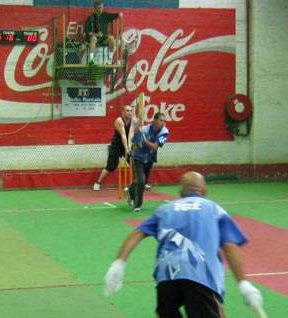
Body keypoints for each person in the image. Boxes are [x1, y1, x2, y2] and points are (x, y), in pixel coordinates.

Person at [104, 171, 264, 318]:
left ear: (181, 192)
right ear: (205, 191)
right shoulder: (213, 209)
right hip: (201, 276)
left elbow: (137, 233)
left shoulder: (164, 210)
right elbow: (229, 247)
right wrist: (243, 283)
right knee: (212, 306)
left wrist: (118, 264)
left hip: (167, 278)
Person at [125, 112, 169, 212]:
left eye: (164, 121)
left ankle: (129, 191)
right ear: (154, 120)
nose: (163, 123)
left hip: (150, 157)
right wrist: (137, 133)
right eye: (161, 120)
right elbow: (134, 142)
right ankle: (137, 204)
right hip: (138, 157)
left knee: (143, 182)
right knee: (141, 180)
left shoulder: (164, 132)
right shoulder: (144, 129)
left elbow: (154, 147)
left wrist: (144, 140)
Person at [93, 104, 138, 191]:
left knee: (135, 164)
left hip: (127, 144)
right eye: (127, 111)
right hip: (116, 145)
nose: (129, 112)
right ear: (123, 112)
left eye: (130, 111)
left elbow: (131, 134)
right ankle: (98, 182)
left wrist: (129, 148)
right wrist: (126, 148)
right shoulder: (119, 121)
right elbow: (123, 135)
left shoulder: (134, 121)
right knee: (111, 166)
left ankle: (139, 183)